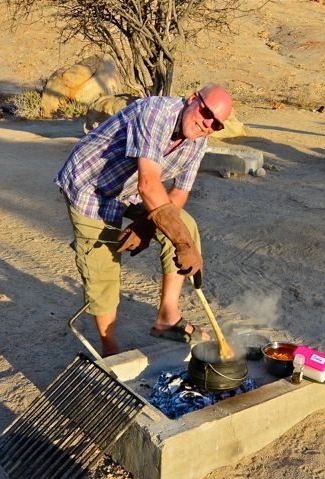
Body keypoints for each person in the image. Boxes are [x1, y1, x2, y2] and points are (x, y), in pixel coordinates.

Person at [55, 84, 233, 356]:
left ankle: (167, 318)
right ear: (193, 98)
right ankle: (109, 347)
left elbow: (179, 193)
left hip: (129, 187)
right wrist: (182, 243)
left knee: (186, 225)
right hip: (91, 186)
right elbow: (149, 185)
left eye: (216, 124)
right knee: (102, 263)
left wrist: (149, 225)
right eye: (206, 112)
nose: (208, 124)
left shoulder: (198, 141)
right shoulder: (156, 113)